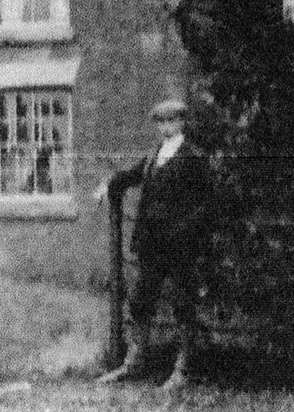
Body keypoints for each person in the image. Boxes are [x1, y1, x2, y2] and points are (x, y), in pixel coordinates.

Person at [96, 98, 213, 391]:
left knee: (183, 303)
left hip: (180, 245)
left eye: (170, 121)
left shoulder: (193, 157)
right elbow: (132, 175)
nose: (165, 127)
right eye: (160, 122)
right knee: (141, 300)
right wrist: (108, 185)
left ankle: (184, 369)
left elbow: (208, 202)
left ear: (181, 123)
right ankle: (135, 362)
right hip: (152, 243)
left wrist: (187, 230)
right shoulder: (155, 154)